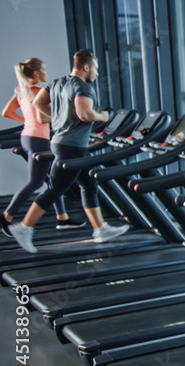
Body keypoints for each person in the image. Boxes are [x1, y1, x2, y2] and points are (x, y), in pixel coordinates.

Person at [8, 50, 129, 253]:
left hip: (63, 142)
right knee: (55, 189)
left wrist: (58, 118)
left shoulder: (56, 83)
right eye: (96, 69)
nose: (97, 74)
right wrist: (104, 116)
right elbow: (84, 113)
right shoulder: (83, 86)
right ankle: (24, 227)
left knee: (89, 183)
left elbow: (38, 103)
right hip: (71, 146)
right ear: (86, 67)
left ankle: (100, 229)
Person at [2, 58, 84, 236]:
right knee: (36, 182)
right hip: (39, 139)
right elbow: (48, 117)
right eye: (45, 70)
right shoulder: (39, 92)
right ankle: (6, 216)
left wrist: (27, 121)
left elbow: (6, 112)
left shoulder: (21, 91)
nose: (47, 73)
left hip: (27, 136)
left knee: (52, 179)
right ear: (37, 74)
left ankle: (62, 217)